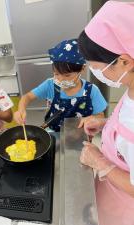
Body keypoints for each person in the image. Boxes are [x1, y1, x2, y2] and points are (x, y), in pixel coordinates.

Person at [78, 2, 134, 225]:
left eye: (96, 66)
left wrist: (100, 163)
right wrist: (106, 124)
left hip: (124, 209)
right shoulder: (130, 87)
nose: (95, 72)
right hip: (108, 194)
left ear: (124, 61)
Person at [14, 39, 107, 131]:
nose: (61, 79)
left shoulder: (91, 90)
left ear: (82, 68)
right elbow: (27, 97)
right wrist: (21, 109)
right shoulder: (50, 85)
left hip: (80, 135)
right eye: (57, 74)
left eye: (67, 75)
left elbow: (100, 115)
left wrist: (93, 120)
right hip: (54, 132)